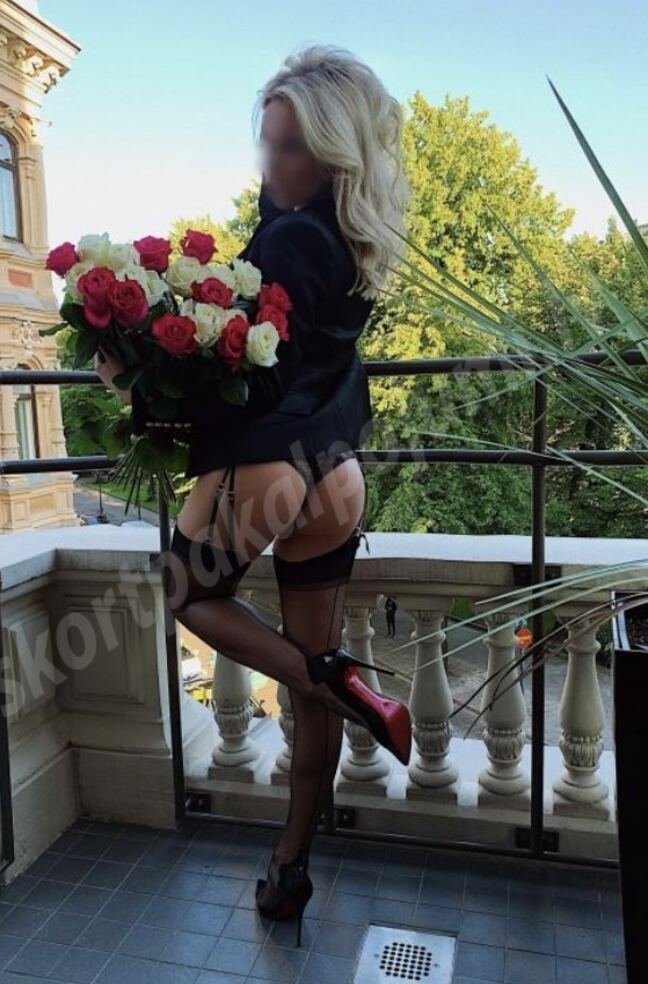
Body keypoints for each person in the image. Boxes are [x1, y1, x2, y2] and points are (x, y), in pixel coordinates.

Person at [95, 43, 410, 947]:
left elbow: (258, 383)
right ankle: (290, 869)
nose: (272, 163)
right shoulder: (353, 240)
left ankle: (330, 679)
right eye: (268, 143)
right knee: (310, 684)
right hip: (335, 474)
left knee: (184, 594)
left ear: (332, 152)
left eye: (291, 146)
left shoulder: (289, 238)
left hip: (272, 466)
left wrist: (136, 382)